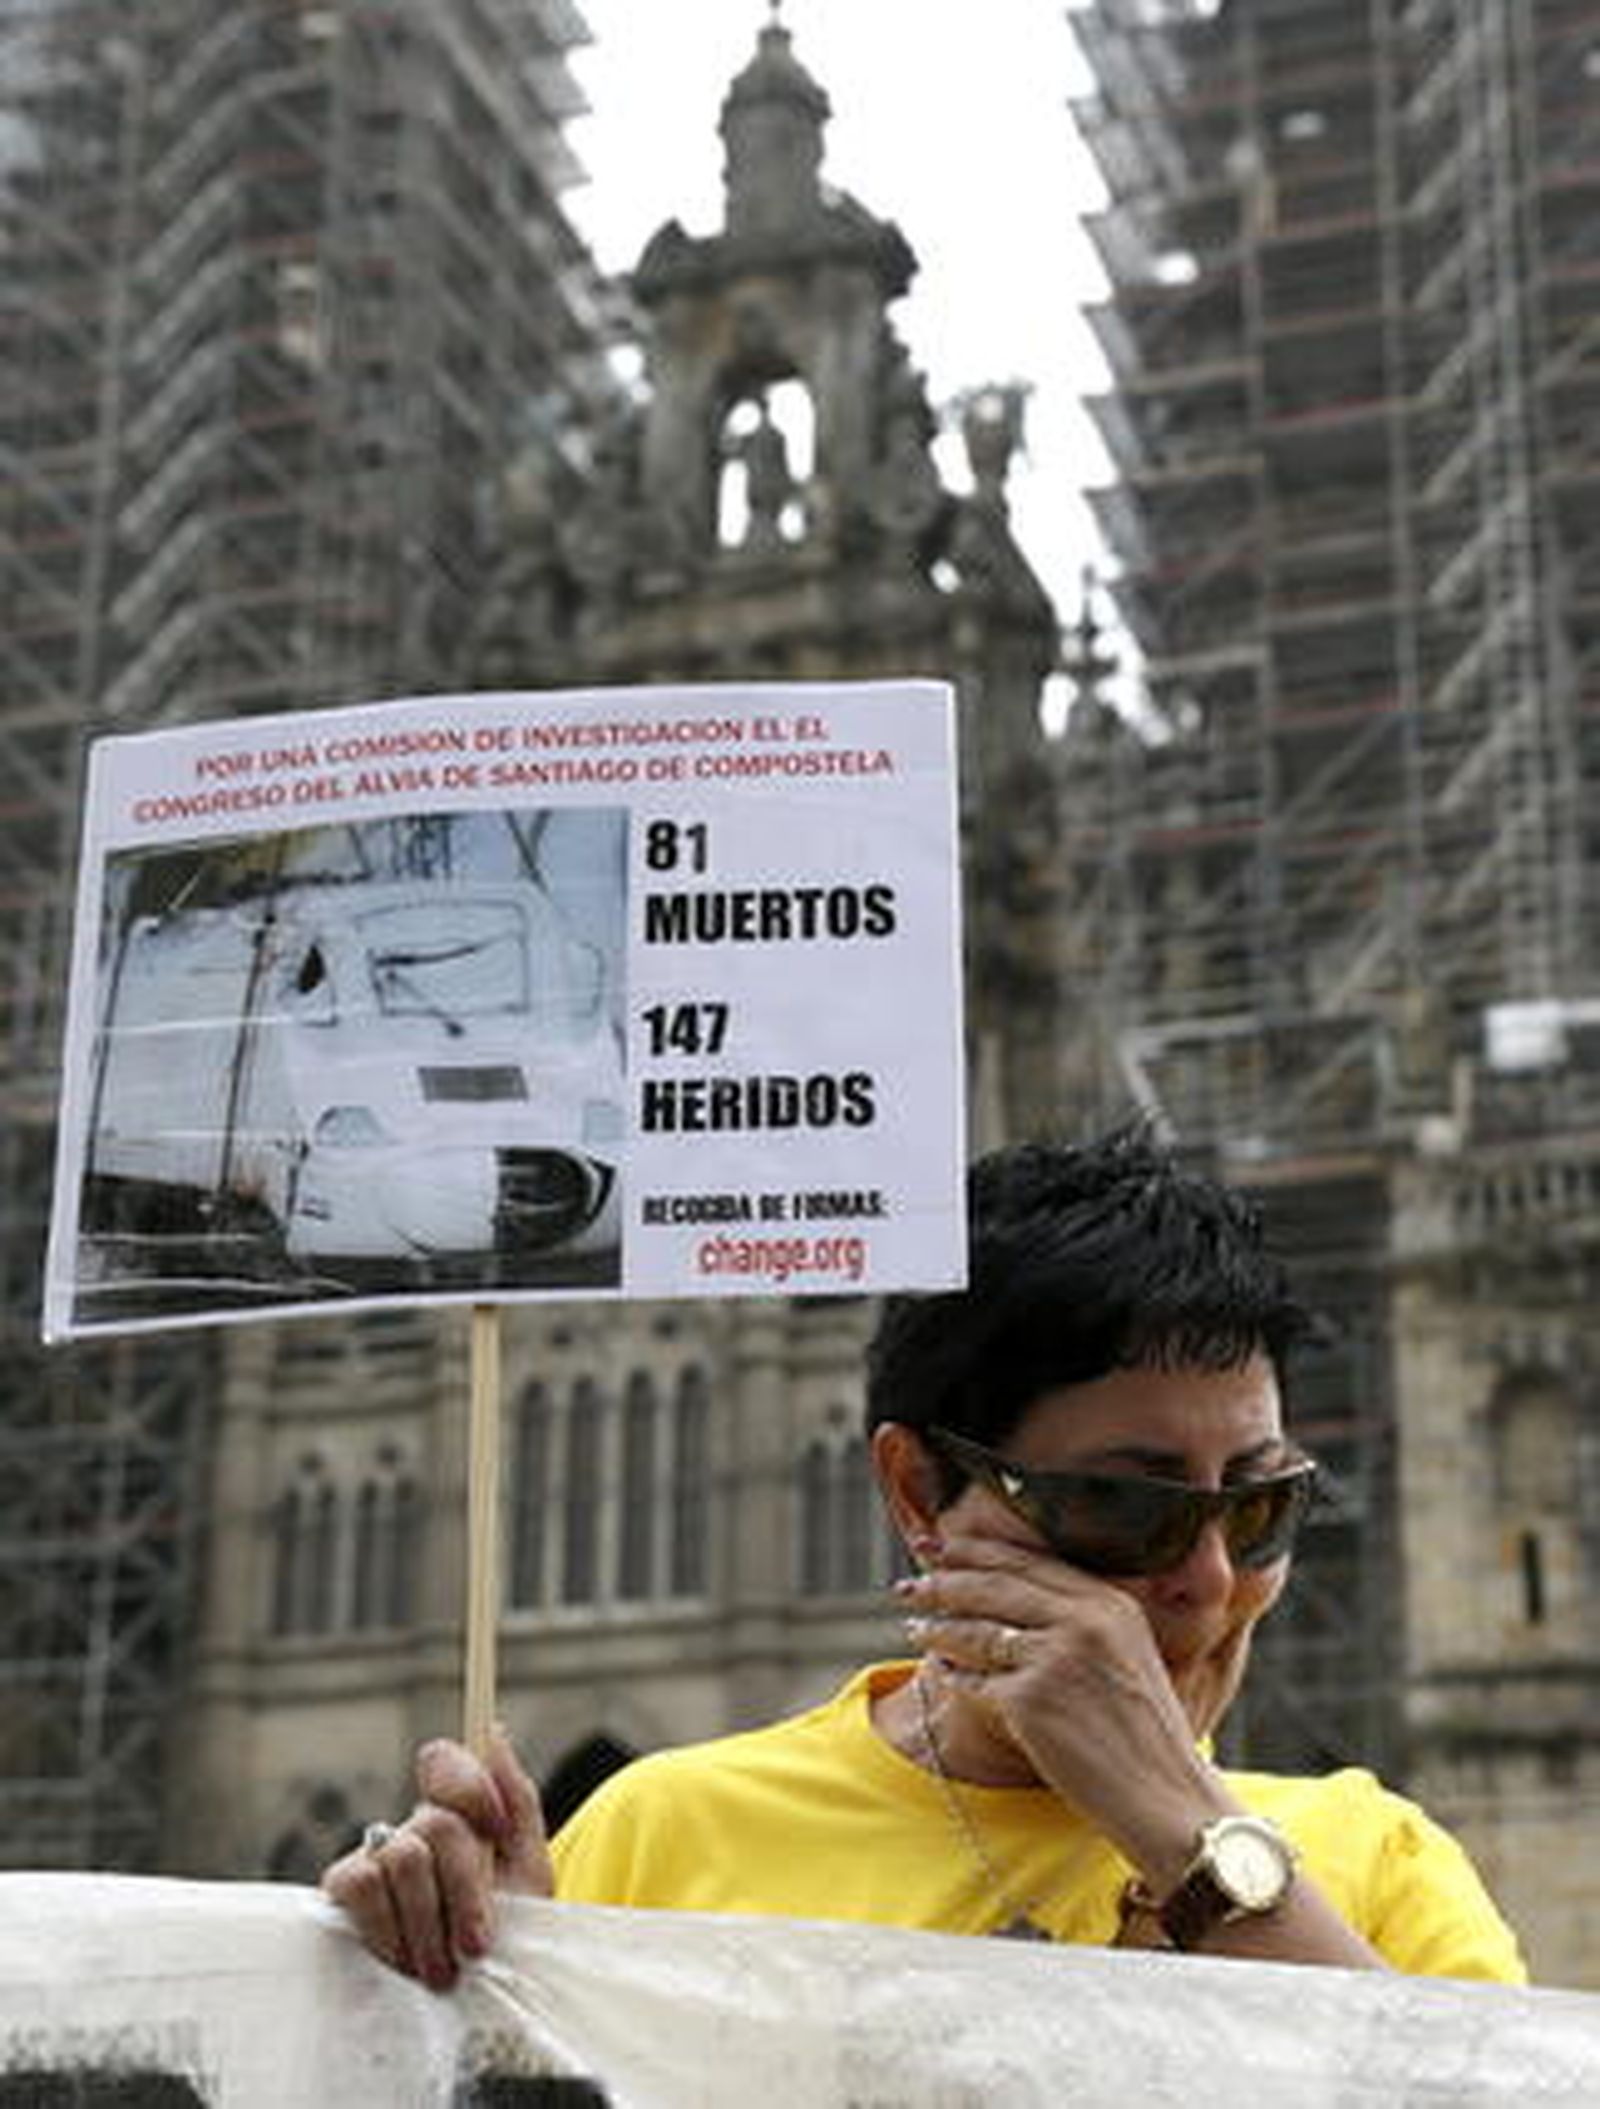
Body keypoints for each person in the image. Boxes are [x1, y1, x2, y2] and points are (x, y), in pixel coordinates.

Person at [324, 1127, 1527, 1990]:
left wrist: (1184, 1839)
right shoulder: (664, 1834)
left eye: (1257, 1508)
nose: (1208, 1580)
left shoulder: (1372, 1865)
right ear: (919, 1492)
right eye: (1127, 1506)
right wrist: (501, 2016)